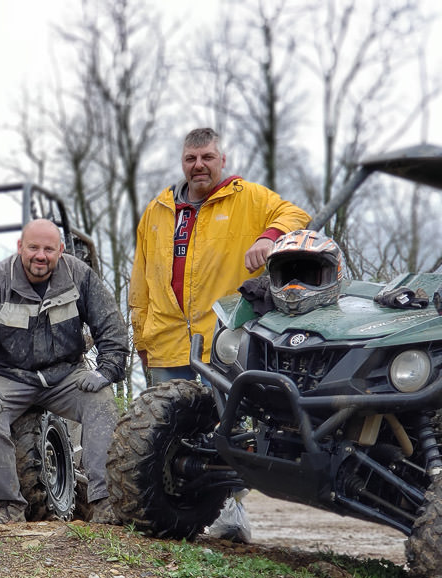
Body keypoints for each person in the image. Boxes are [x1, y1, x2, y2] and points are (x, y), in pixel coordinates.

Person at [129, 127, 309, 540]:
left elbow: (295, 215)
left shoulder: (246, 197)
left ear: (222, 159)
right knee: (165, 429)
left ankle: (230, 509)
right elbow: (139, 281)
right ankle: (170, 513)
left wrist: (268, 238)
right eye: (191, 159)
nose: (199, 166)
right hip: (166, 337)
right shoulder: (157, 211)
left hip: (222, 338)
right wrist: (141, 336)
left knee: (221, 429)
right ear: (182, 162)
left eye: (207, 157)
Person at [0, 218, 128, 525]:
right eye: (32, 247)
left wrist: (108, 370)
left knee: (102, 403)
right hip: (8, 375)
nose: (40, 255)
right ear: (20, 247)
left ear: (61, 250)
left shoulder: (79, 276)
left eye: (48, 249)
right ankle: (7, 506)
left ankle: (105, 503)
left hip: (66, 375)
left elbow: (112, 326)